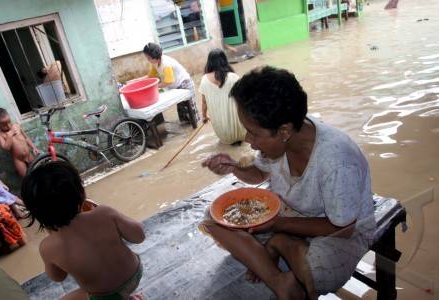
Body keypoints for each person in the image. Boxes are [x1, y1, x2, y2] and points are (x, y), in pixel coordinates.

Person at [200, 66, 375, 299]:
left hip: (341, 230)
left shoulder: (336, 160)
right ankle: (279, 278)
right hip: (290, 213)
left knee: (319, 269)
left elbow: (342, 228)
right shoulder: (281, 141)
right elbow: (258, 174)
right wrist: (233, 167)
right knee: (213, 219)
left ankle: (280, 245)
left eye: (253, 133)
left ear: (283, 132)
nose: (248, 141)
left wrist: (278, 225)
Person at [21, 161, 145, 300]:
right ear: (81, 192)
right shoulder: (104, 213)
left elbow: (57, 277)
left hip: (104, 296)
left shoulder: (47, 247)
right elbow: (139, 236)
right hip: (134, 274)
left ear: (37, 215)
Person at [143, 42, 199, 125]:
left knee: (190, 108)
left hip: (185, 84)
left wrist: (155, 87)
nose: (147, 59)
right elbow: (150, 76)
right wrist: (137, 81)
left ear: (154, 57)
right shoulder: (155, 63)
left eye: (148, 58)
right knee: (182, 110)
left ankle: (194, 126)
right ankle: (186, 125)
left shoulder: (166, 64)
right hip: (176, 86)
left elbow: (169, 81)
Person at [199, 49, 246, 145]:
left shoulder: (204, 80)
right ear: (224, 60)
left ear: (209, 62)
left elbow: (204, 103)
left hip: (222, 134)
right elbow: (244, 98)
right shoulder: (233, 77)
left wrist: (204, 116)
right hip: (240, 129)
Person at [0, 108, 39, 177]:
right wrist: (9, 136)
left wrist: (34, 147)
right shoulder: (0, 135)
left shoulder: (16, 126)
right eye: (4, 125)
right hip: (19, 160)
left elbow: (26, 138)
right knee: (26, 178)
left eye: (9, 122)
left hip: (29, 155)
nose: (8, 126)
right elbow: (6, 148)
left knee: (37, 171)